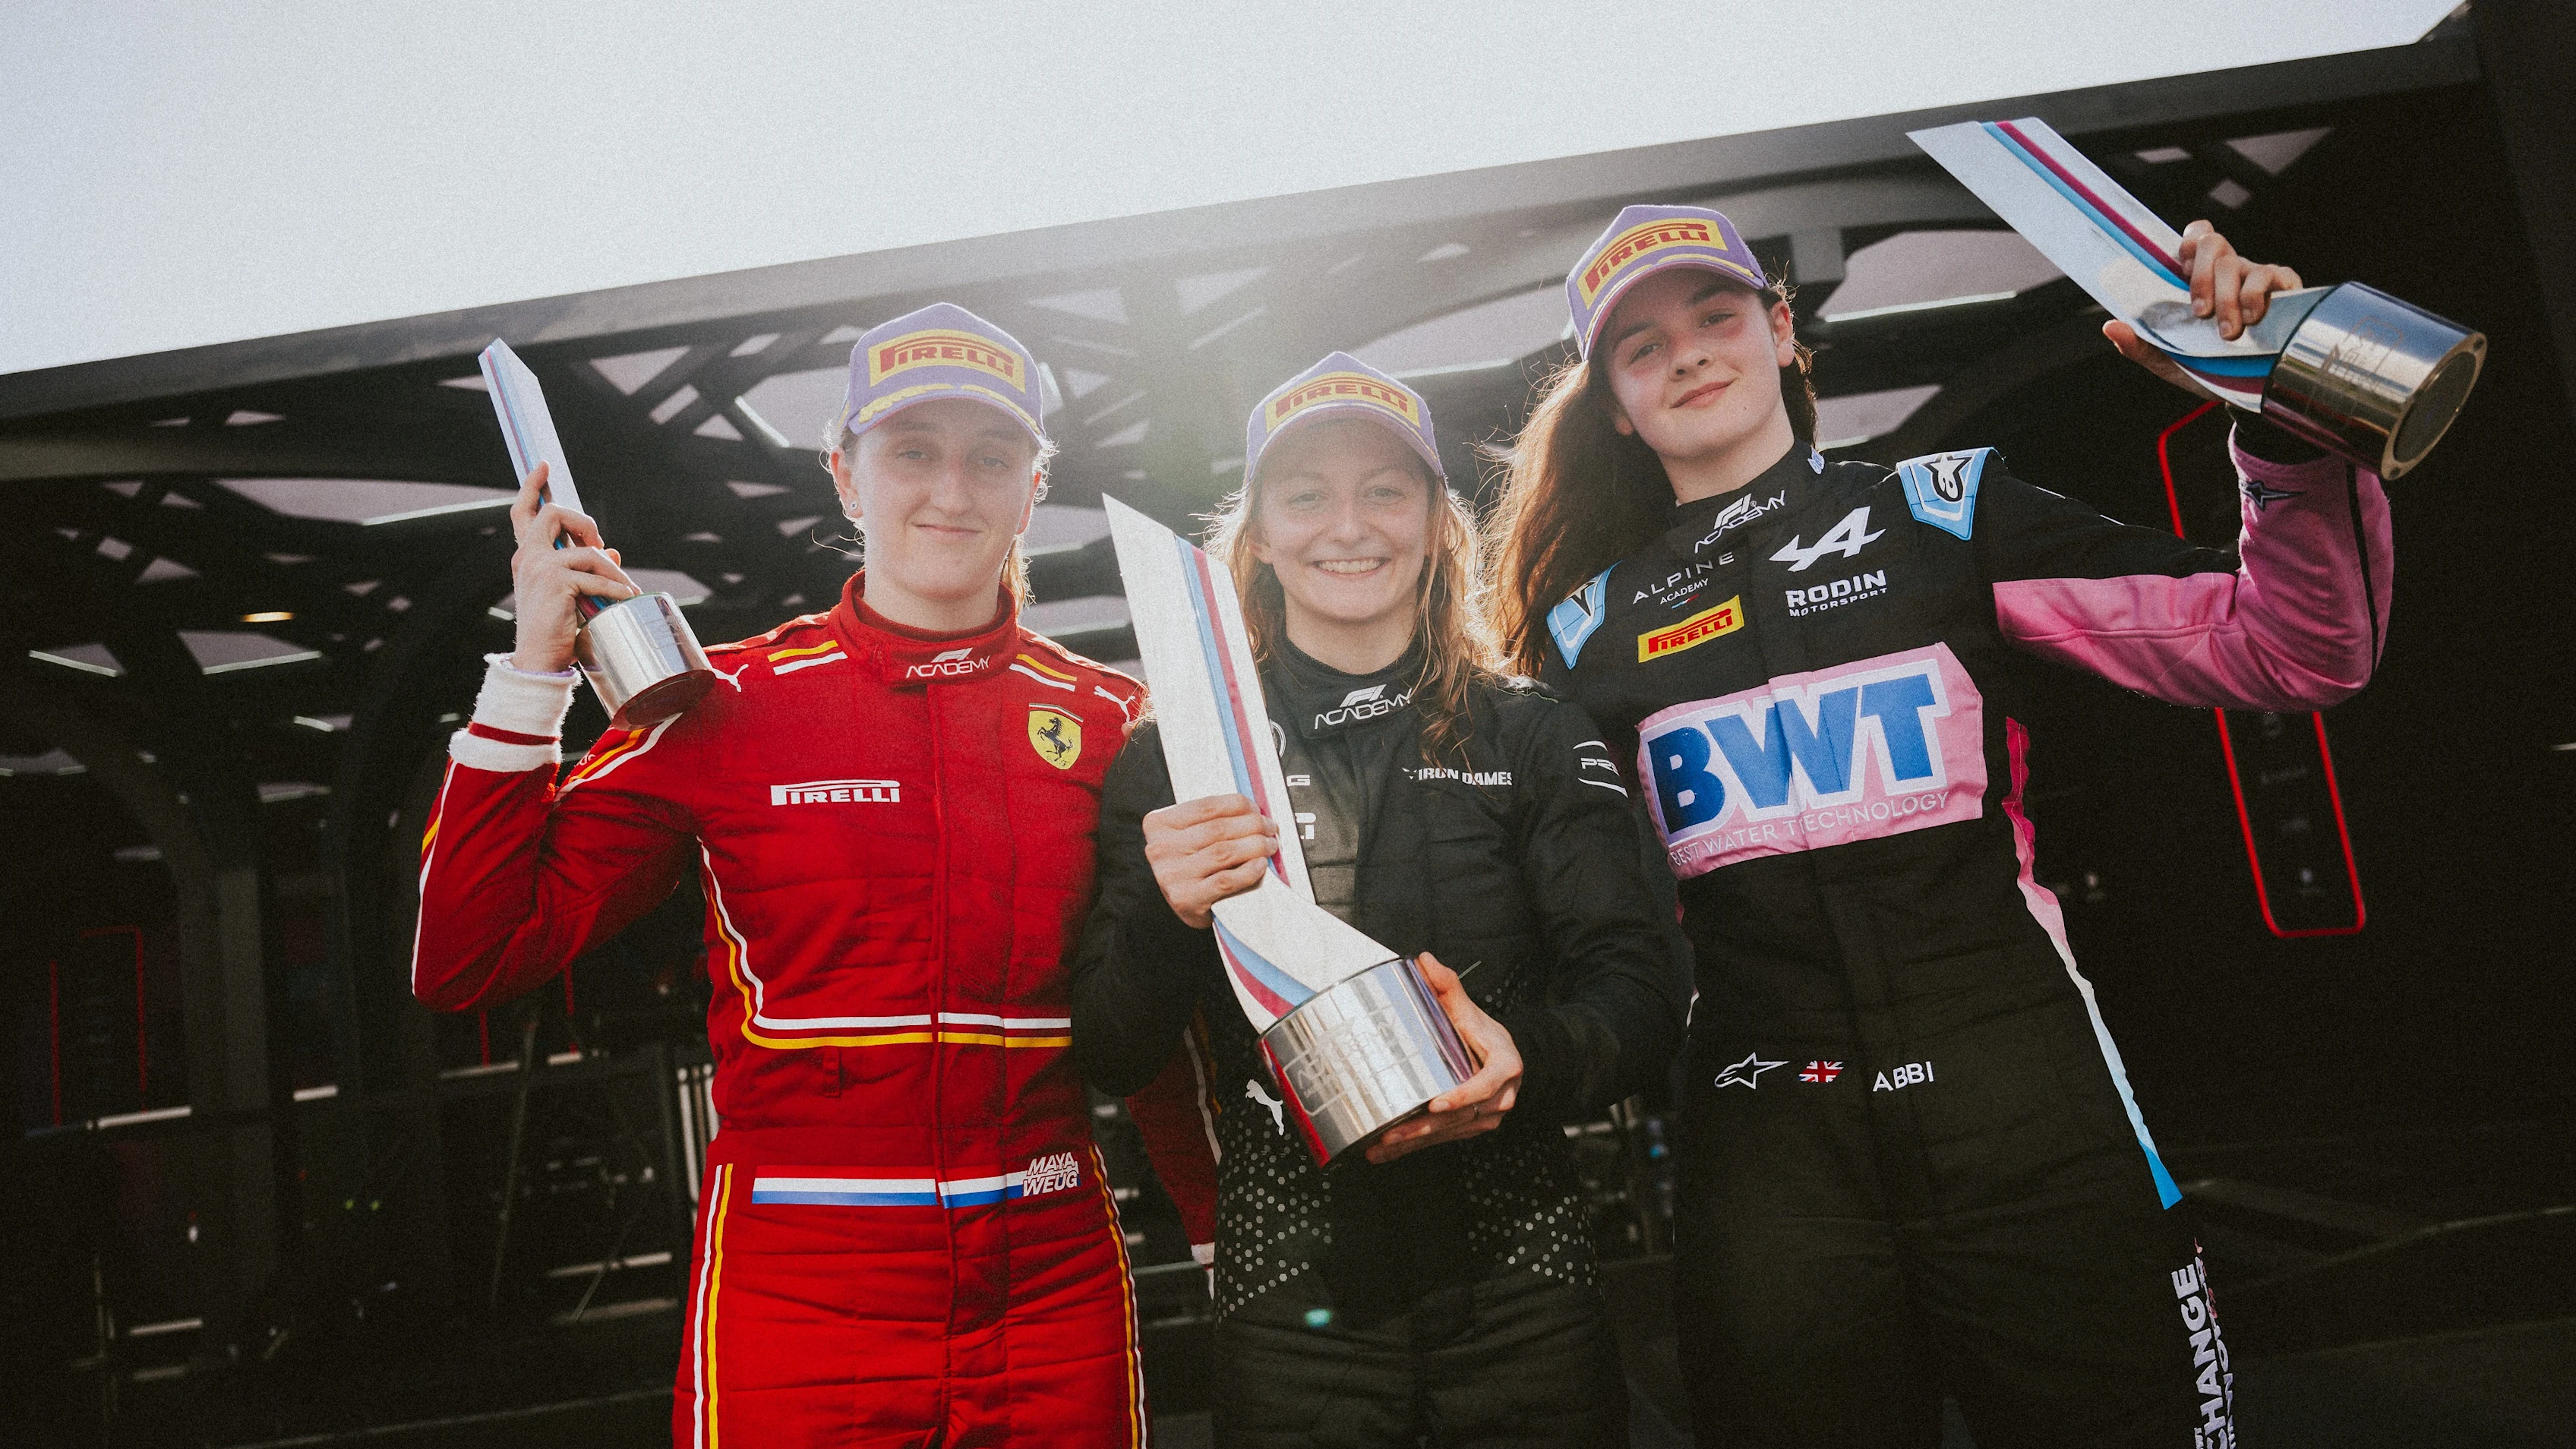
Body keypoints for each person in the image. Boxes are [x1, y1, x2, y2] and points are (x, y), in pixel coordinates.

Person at [1485, 204, 2388, 1447]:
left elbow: (2293, 647)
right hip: (1772, 1149)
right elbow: (1493, 869)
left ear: (1783, 332)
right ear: (1616, 408)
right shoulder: (1585, 630)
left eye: (1715, 315)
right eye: (1641, 349)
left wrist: (2280, 406)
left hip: (2024, 1098)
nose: (1687, 354)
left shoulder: (1947, 512)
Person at [413, 303, 1154, 1448]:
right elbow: (470, 952)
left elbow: (1165, 1009)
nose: (950, 491)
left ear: (1032, 488)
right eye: (911, 452)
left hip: (1051, 1284)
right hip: (800, 1296)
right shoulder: (728, 708)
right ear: (846, 480)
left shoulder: (1113, 720)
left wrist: (1213, 1229)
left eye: (990, 457)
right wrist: (532, 673)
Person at [1070, 353, 1693, 1448]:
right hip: (1292, 1296)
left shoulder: (1531, 729)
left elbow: (1641, 994)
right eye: (1306, 495)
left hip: (1523, 1273)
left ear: (1439, 523)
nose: (1346, 525)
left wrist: (1526, 1061)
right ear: (1256, 535)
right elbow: (1114, 1051)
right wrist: (1170, 918)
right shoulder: (1179, 756)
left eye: (1386, 490)